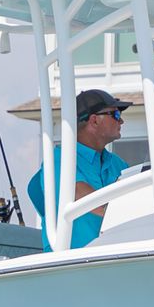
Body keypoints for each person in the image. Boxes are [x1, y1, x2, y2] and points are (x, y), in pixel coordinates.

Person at [26, 89, 132, 251]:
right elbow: (80, 195)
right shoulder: (59, 158)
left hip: (114, 257)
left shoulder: (118, 164)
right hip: (72, 264)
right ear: (94, 120)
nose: (121, 121)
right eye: (116, 115)